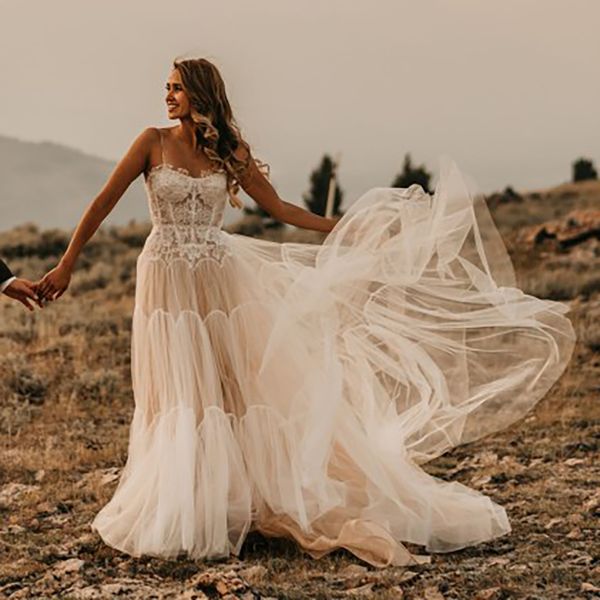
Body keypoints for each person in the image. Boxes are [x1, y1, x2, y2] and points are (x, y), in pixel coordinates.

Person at [37, 56, 576, 568]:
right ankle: (184, 504)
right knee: (177, 391)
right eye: (167, 86)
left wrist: (342, 230)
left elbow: (281, 209)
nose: (167, 94)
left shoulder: (231, 151)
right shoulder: (150, 142)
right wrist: (66, 265)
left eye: (176, 86)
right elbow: (102, 203)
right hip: (165, 279)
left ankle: (239, 501)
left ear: (199, 94)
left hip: (218, 278)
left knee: (231, 388)